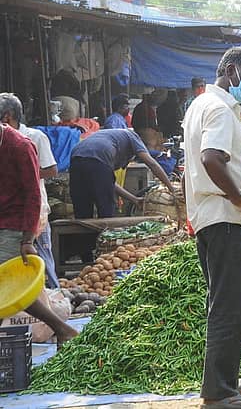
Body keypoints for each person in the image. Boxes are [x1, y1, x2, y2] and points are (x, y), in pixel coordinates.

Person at [181, 46, 241, 409]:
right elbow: (211, 159)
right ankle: (219, 393)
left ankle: (222, 383)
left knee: (223, 303)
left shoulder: (200, 105)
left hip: (209, 216)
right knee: (230, 306)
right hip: (224, 217)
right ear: (230, 72)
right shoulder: (219, 109)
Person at [0, 122, 79, 346]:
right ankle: (62, 329)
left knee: (9, 286)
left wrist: (27, 239)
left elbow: (33, 194)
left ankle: (61, 328)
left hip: (15, 223)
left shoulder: (20, 146)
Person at [0, 93, 61, 287]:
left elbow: (49, 173)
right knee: (19, 278)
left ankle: (54, 295)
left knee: (41, 261)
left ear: (6, 117)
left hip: (30, 214)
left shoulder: (29, 140)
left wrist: (27, 239)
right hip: (11, 214)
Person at [69, 129, 175, 219]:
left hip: (76, 159)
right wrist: (171, 188)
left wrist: (134, 200)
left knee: (82, 212)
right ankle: (105, 241)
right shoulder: (133, 137)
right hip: (98, 159)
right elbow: (152, 164)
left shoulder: (112, 137)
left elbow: (109, 182)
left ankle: (82, 242)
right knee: (106, 210)